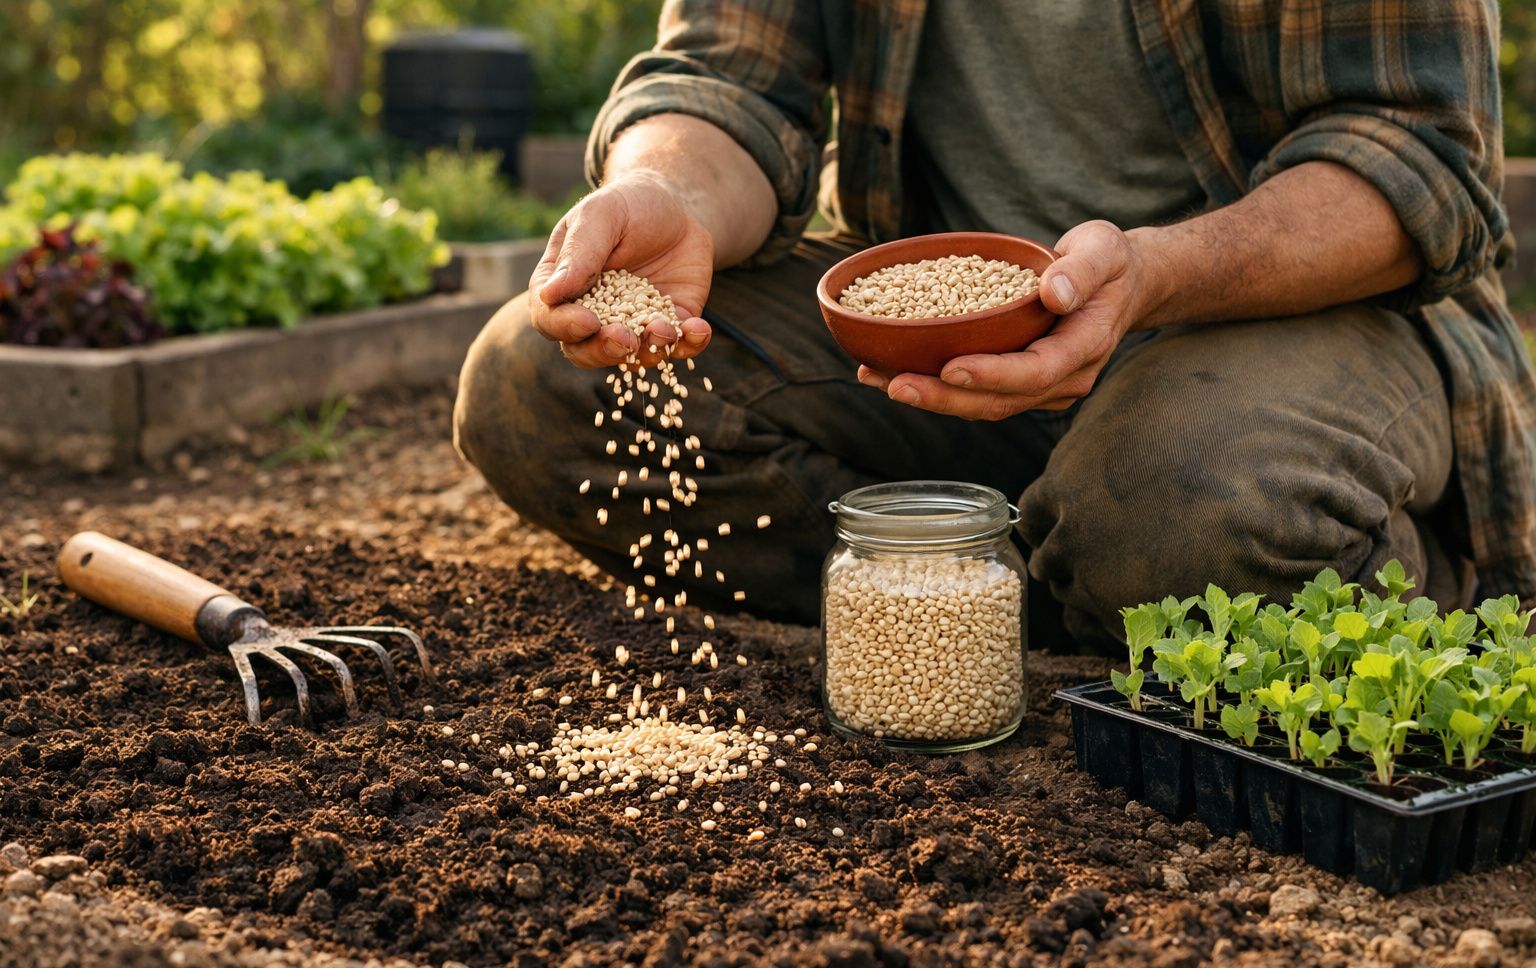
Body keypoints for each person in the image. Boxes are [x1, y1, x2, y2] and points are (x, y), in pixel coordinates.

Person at [454, 0, 1535, 651]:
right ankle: (1037, 598)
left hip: (1280, 307)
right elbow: (727, 78)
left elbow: (1418, 154)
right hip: (934, 328)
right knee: (532, 384)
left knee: (1182, 503)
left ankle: (1398, 596)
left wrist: (1153, 276)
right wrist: (671, 198)